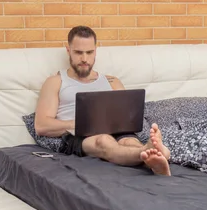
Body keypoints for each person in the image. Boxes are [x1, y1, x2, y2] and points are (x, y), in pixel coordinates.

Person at [34, 26, 171, 176]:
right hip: (79, 135)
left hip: (115, 130)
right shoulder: (56, 81)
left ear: (95, 51)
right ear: (68, 50)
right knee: (104, 141)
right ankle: (150, 153)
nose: (84, 59)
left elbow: (127, 118)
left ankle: (151, 156)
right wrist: (81, 123)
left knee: (129, 142)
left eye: (89, 52)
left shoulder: (112, 81)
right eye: (78, 52)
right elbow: (41, 125)